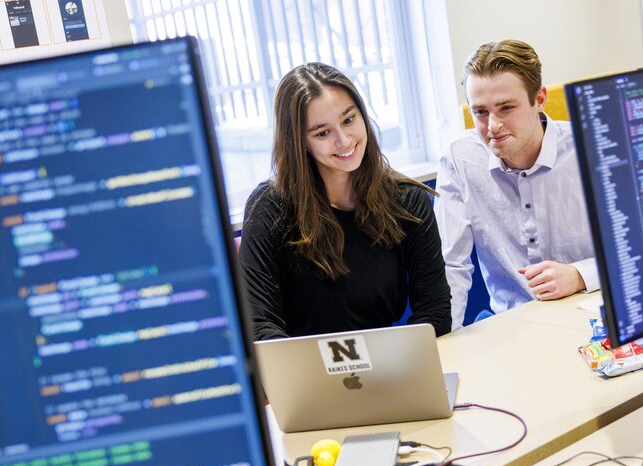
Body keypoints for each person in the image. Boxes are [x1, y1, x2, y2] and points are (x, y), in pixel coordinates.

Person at [239, 63, 451, 341]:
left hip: (386, 367)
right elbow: (257, 324)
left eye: (349, 120)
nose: (344, 140)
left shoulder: (407, 201)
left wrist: (404, 362)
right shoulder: (269, 208)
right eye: (322, 133)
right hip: (304, 372)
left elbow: (434, 311)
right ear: (299, 142)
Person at [435, 39, 599, 330]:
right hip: (511, 327)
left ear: (539, 99)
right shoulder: (460, 158)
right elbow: (451, 266)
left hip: (593, 318)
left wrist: (580, 274)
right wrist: (446, 347)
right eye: (480, 112)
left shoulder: (592, 147)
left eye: (506, 108)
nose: (493, 126)